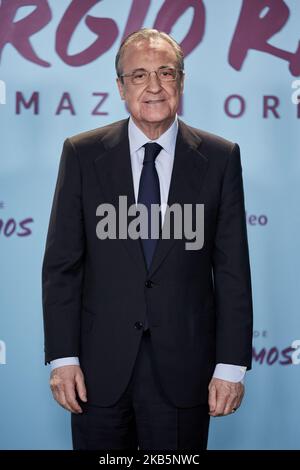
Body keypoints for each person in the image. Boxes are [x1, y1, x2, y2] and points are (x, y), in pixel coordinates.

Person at [42, 28, 253, 450]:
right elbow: (63, 266)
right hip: (98, 374)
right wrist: (64, 359)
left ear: (181, 81)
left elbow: (232, 271)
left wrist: (231, 366)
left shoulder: (220, 157)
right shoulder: (82, 154)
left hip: (185, 371)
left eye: (165, 73)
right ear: (121, 87)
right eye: (139, 75)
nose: (154, 87)